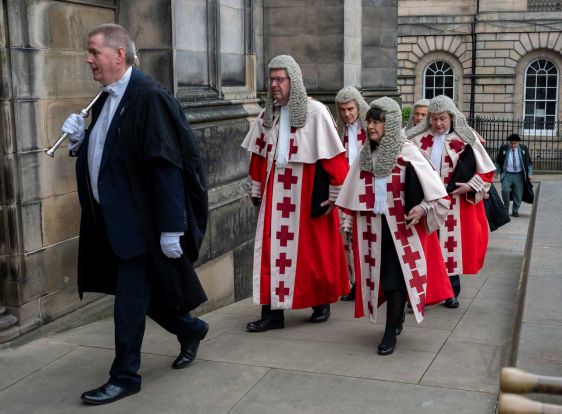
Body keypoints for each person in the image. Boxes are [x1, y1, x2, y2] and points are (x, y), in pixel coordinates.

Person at [60, 24, 209, 405]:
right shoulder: (107, 98)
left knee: (128, 301)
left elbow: (166, 165)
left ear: (118, 55)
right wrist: (81, 142)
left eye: (93, 51)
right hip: (112, 222)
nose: (88, 59)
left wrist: (173, 229)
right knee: (143, 296)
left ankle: (125, 376)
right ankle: (190, 328)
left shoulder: (149, 96)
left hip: (141, 225)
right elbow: (114, 156)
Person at [336, 97, 453, 355]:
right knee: (380, 278)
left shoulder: (407, 151)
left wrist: (422, 208)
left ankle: (389, 333)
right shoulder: (365, 155)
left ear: (389, 123)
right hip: (372, 230)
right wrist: (348, 222)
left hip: (400, 230)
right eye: (369, 121)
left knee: (395, 280)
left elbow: (436, 193)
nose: (371, 126)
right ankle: (396, 317)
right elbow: (352, 194)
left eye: (377, 121)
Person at [241, 55, 349, 332]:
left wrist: (336, 192)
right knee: (269, 253)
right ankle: (272, 314)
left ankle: (321, 302)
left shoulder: (316, 112)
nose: (274, 85)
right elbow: (258, 155)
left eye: (279, 79)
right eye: (271, 79)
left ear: (294, 81)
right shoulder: (268, 115)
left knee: (313, 255)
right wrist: (255, 187)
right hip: (274, 196)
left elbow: (334, 157)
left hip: (307, 192)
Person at [406, 95, 496, 309]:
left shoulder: (467, 138)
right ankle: (424, 292)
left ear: (452, 118)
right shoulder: (417, 139)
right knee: (426, 247)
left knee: (450, 249)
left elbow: (487, 173)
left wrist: (470, 186)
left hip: (455, 204)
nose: (438, 124)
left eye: (443, 119)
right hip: (426, 202)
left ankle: (451, 292)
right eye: (434, 118)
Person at [334, 86, 370, 302]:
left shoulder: (370, 128)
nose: (347, 114)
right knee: (347, 240)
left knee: (364, 240)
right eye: (343, 110)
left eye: (350, 109)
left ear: (358, 106)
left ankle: (367, 284)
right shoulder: (339, 131)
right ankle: (353, 284)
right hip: (344, 192)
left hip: (365, 190)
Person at [495, 133, 533, 217]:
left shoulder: (523, 148)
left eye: (515, 143)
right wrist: (496, 172)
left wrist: (529, 173)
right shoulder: (503, 148)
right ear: (509, 143)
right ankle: (506, 208)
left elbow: (529, 162)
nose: (513, 145)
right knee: (505, 190)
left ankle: (515, 210)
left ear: (518, 143)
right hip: (507, 174)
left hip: (519, 175)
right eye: (511, 143)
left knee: (518, 195)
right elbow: (498, 161)